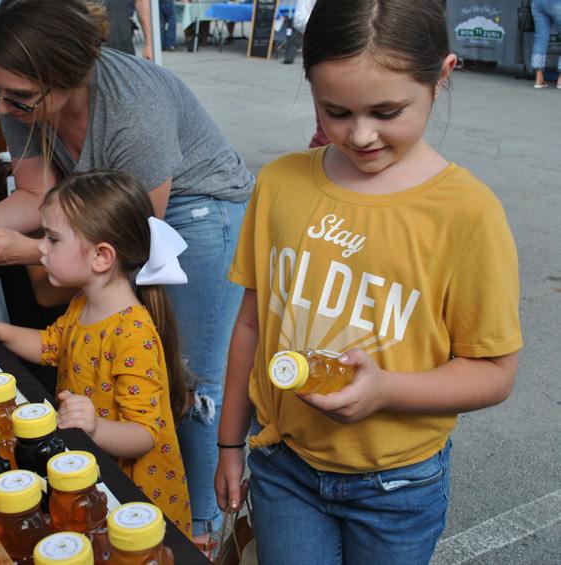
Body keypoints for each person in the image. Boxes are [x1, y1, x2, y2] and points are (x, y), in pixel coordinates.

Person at [0, 0, 253, 549]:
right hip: (113, 219)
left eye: (18, 97)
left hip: (194, 207)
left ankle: (199, 527)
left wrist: (32, 251)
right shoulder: (22, 94)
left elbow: (134, 244)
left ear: (69, 78)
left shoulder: (136, 109)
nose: (3, 107)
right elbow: (35, 194)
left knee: (195, 376)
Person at [213, 0, 522, 563]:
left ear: (442, 76)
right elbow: (251, 326)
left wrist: (386, 390)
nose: (360, 135)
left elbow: (494, 372)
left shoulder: (468, 213)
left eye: (386, 111)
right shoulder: (280, 184)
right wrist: (229, 443)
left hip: (397, 484)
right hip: (283, 465)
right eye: (335, 111)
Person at [0, 170, 192, 535]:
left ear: (101, 256)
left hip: (133, 499)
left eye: (52, 239)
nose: (40, 248)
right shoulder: (83, 303)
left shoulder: (133, 333)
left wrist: (95, 427)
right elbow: (52, 345)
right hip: (91, 469)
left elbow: (146, 433)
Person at [530, 0, 561, 88]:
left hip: (538, 3)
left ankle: (538, 78)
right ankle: (560, 80)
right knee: (540, 39)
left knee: (540, 39)